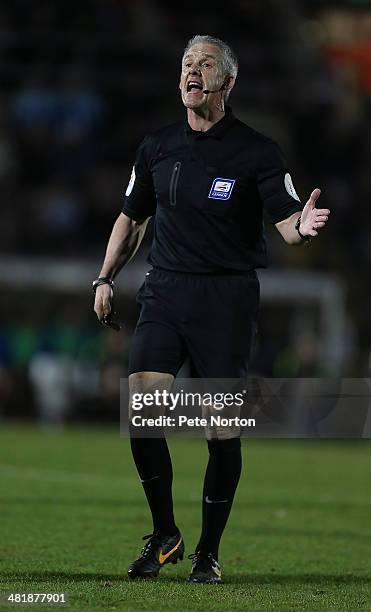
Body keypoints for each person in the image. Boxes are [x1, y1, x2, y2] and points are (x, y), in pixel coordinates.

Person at [93, 34, 330, 583]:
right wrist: (105, 277)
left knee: (220, 429)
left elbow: (288, 224)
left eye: (204, 65)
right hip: (166, 291)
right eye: (185, 64)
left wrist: (304, 225)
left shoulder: (256, 151)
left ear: (228, 82)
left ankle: (209, 551)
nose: (191, 73)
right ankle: (165, 535)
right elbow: (132, 219)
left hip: (226, 297)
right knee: (144, 408)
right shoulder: (156, 146)